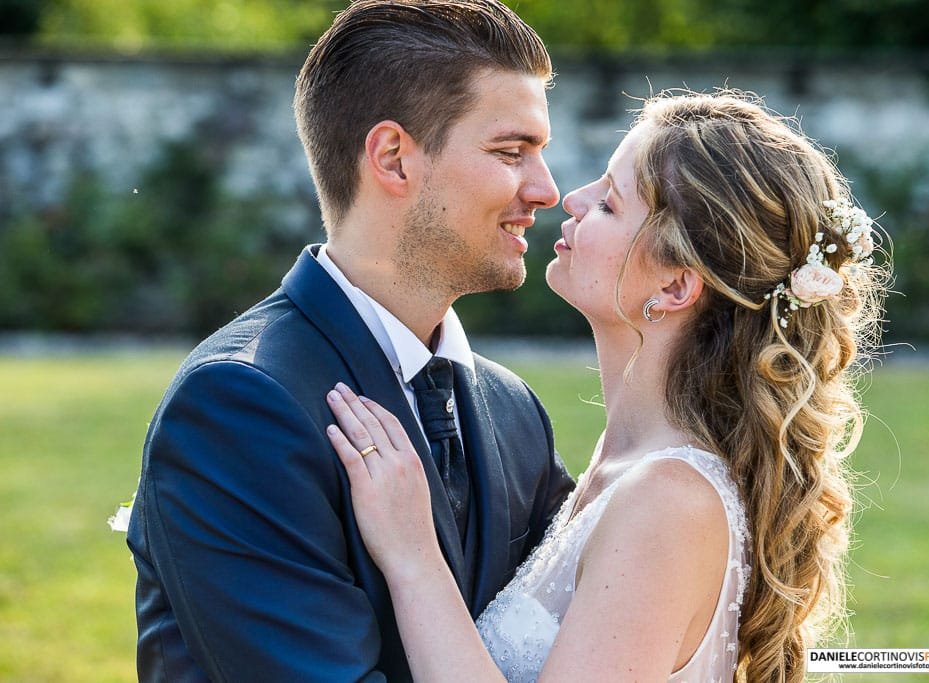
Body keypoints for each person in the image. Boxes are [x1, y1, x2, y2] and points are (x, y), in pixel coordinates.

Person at [322, 90, 888, 682]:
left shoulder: (667, 503)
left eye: (611, 204)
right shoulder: (624, 467)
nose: (572, 199)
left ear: (673, 289)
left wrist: (413, 557)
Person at [126, 1, 575, 680]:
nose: (546, 189)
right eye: (511, 152)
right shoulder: (238, 406)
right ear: (393, 157)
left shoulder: (517, 413)